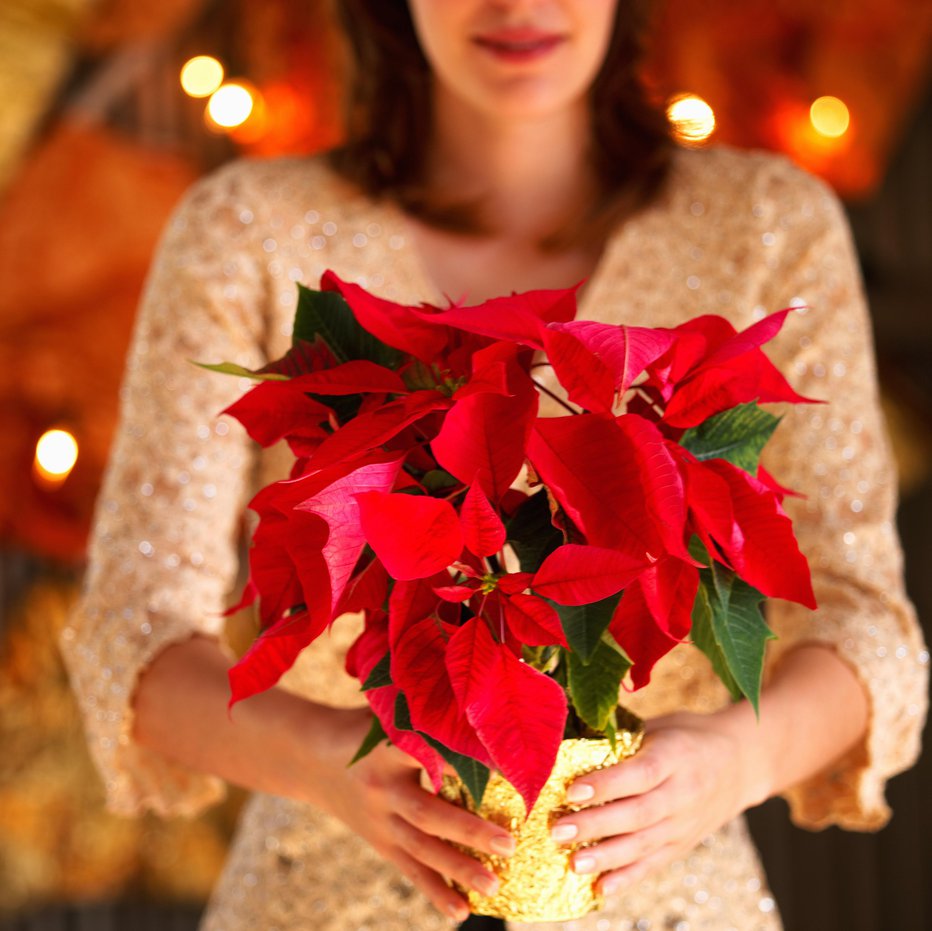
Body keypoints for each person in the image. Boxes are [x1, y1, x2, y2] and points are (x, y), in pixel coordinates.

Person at [60, 1, 928, 929]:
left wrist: (729, 762)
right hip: (318, 892)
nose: (518, 5)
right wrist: (326, 757)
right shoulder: (247, 229)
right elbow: (133, 628)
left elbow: (865, 620)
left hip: (667, 899)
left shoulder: (764, 224)